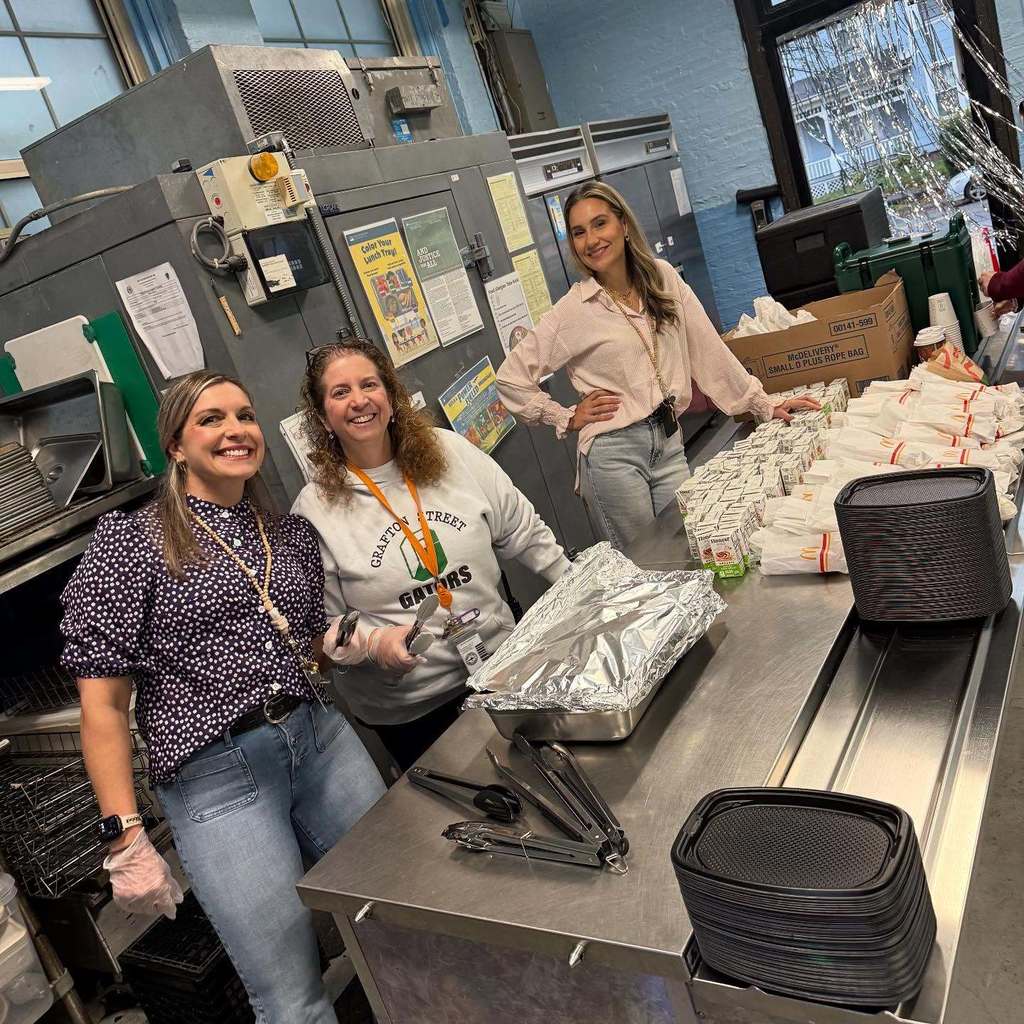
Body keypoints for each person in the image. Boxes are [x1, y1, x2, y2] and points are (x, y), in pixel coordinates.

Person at [61, 371, 385, 1024]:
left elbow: (304, 640)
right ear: (176, 444)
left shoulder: (286, 533)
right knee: (290, 996)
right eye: (211, 419)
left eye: (244, 414)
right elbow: (102, 705)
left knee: (406, 919)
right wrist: (124, 836)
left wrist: (351, 643)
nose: (235, 429)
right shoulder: (130, 545)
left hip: (319, 739)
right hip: (217, 779)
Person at [292, 339, 571, 772]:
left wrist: (578, 587)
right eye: (340, 392)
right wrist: (371, 645)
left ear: (390, 395)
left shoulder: (448, 451)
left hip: (500, 672)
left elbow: (524, 530)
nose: (359, 400)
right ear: (323, 416)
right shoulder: (314, 509)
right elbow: (325, 629)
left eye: (369, 384)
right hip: (412, 711)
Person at [495, 180, 819, 550]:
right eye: (579, 232)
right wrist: (565, 417)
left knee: (689, 549)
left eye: (600, 224)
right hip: (614, 454)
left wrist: (764, 405)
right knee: (647, 565)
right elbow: (511, 380)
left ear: (624, 225)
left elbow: (707, 349)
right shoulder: (574, 310)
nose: (591, 240)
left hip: (668, 441)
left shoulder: (663, 277)